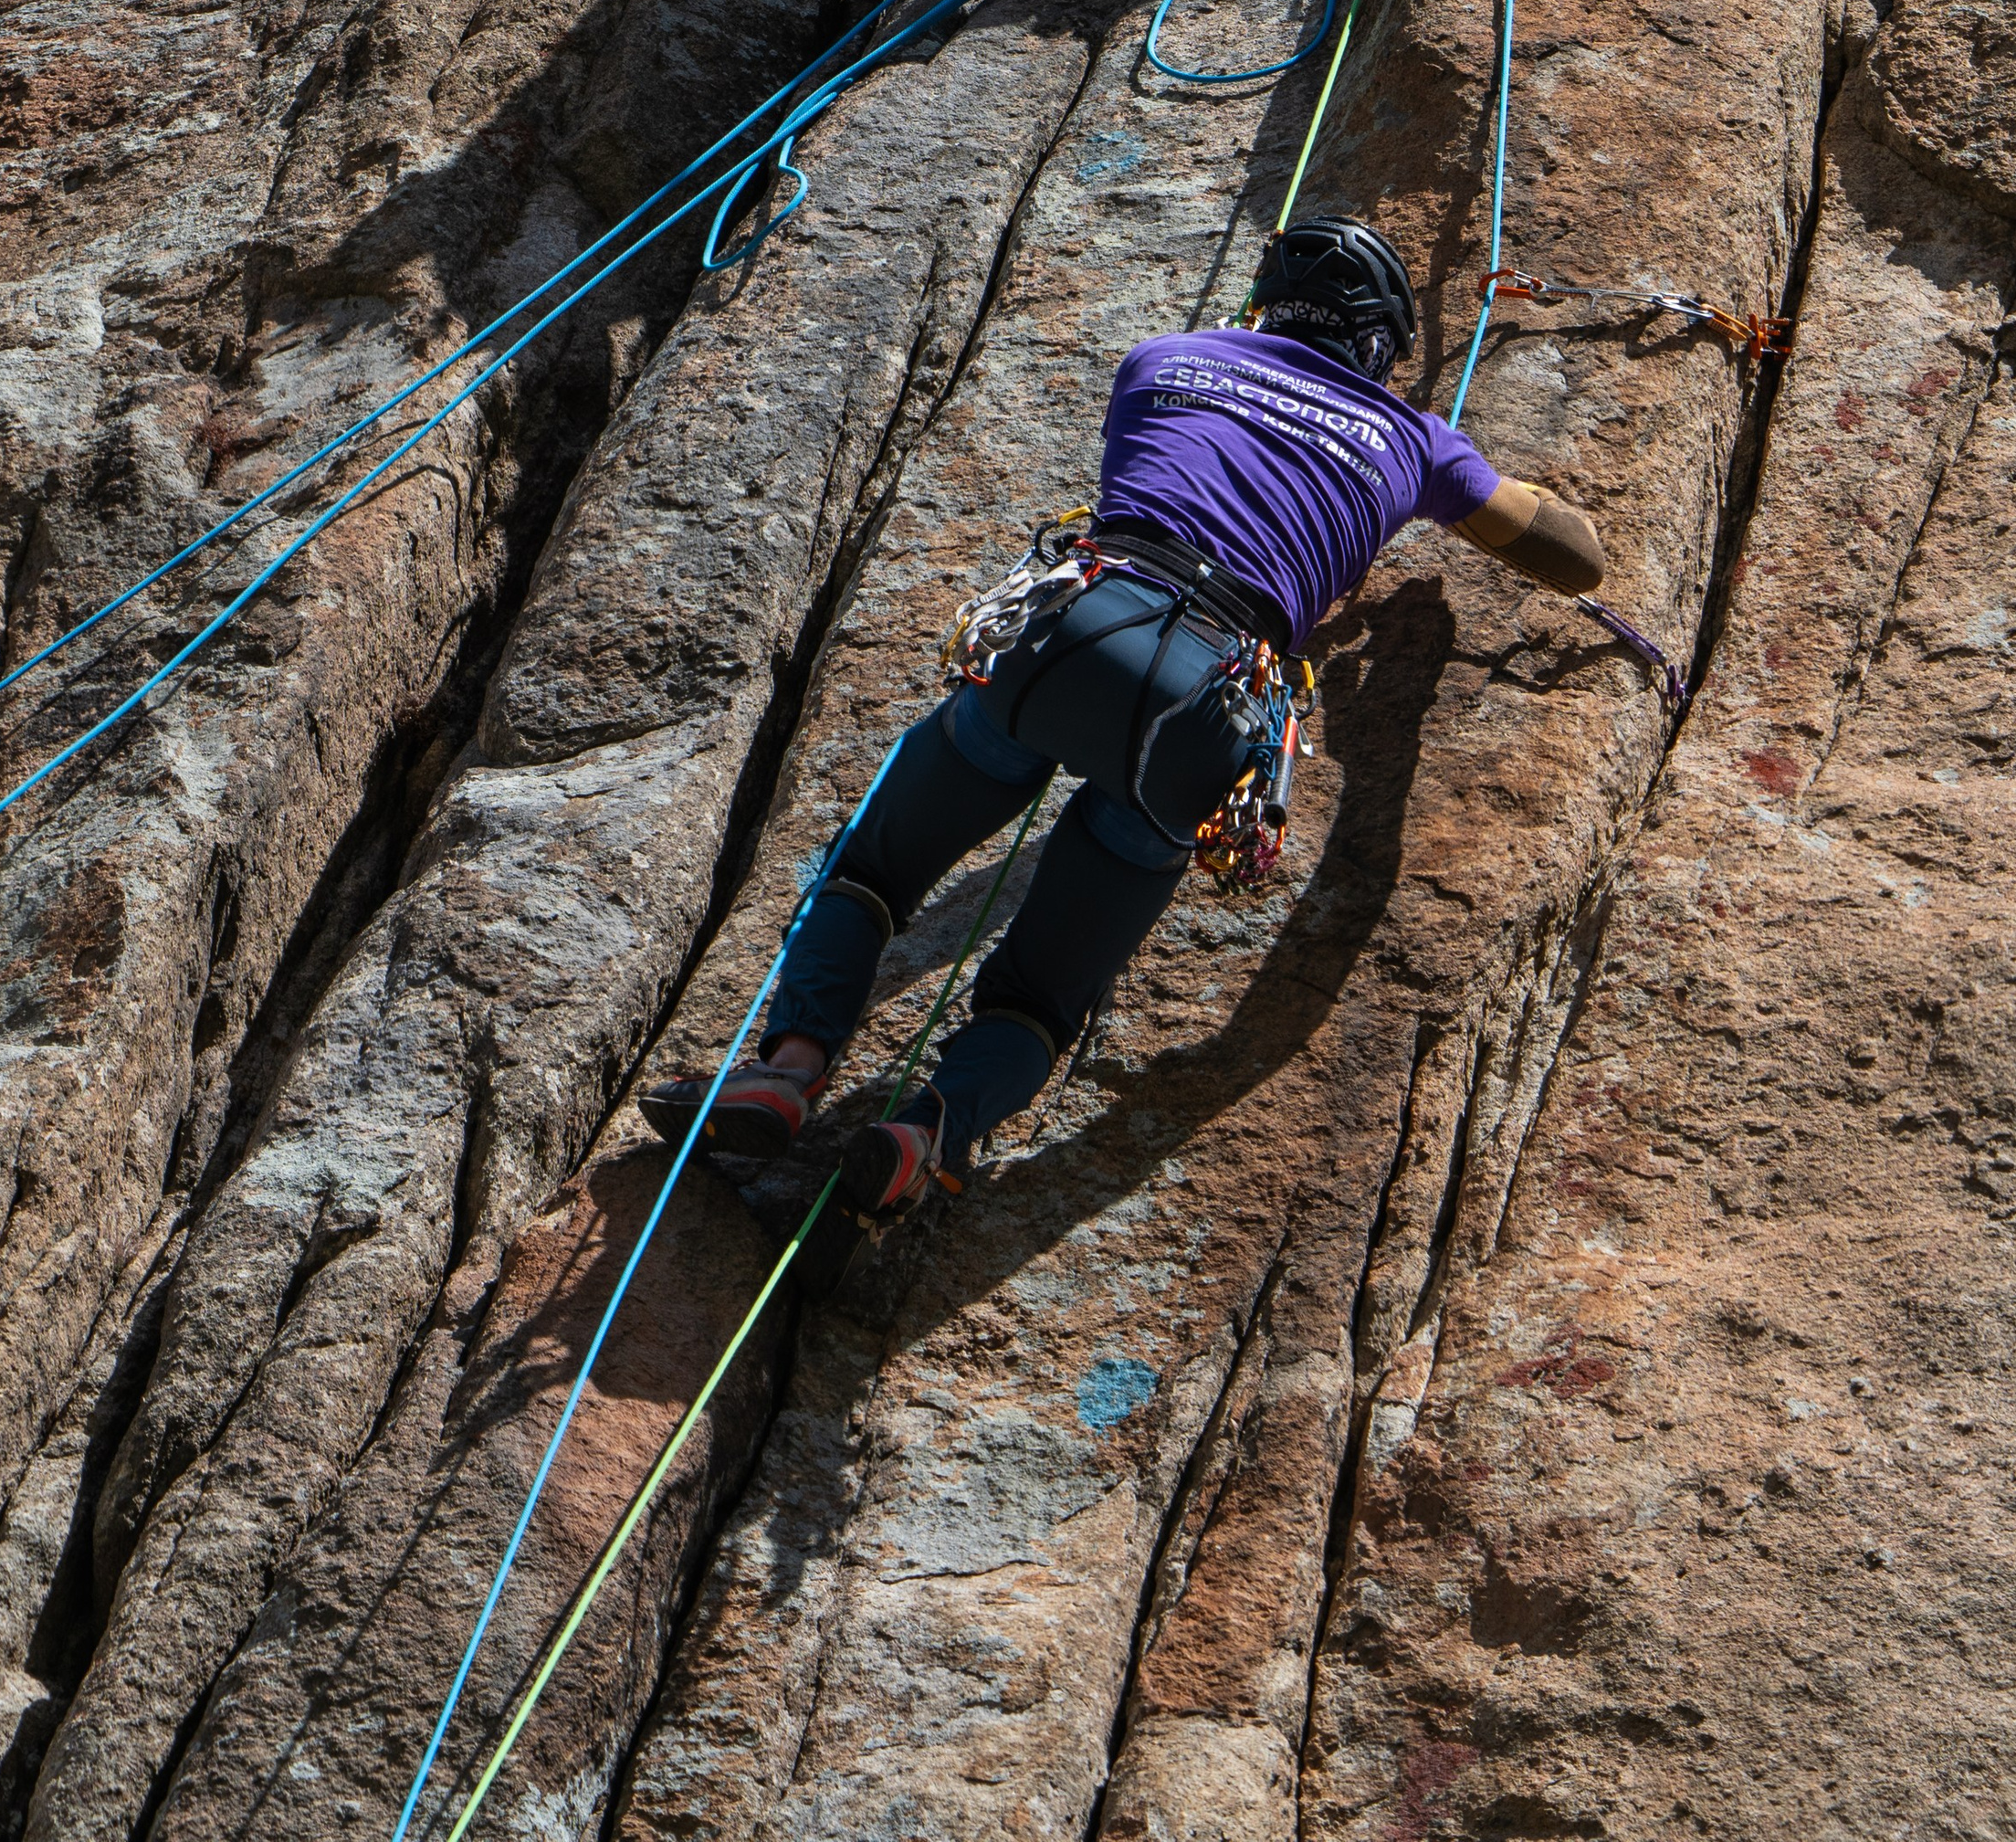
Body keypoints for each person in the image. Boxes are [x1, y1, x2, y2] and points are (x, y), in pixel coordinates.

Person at [644, 216, 1606, 1218]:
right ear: (1378, 343)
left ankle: (787, 1071)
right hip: (1220, 695)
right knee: (1042, 994)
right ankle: (925, 1135)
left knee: (876, 869)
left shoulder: (1167, 358)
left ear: (1262, 308)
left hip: (1076, 626)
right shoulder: (1416, 440)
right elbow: (1571, 557)